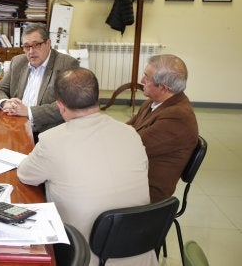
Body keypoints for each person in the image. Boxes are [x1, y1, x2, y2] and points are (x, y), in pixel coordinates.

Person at [17, 68, 154, 266]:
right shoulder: (131, 133)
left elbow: (25, 174)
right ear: (97, 98)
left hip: (84, 256)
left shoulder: (52, 141)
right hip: (139, 252)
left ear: (60, 106)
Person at [128, 54, 198, 202]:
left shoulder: (178, 118)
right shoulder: (153, 102)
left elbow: (131, 148)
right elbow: (127, 130)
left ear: (164, 88)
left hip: (146, 193)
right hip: (132, 177)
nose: (142, 81)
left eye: (147, 77)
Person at [0, 23, 79, 137]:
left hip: (47, 134)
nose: (31, 51)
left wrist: (28, 112)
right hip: (16, 128)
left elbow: (68, 105)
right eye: (26, 46)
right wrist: (5, 103)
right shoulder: (18, 62)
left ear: (48, 43)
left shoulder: (66, 64)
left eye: (36, 45)